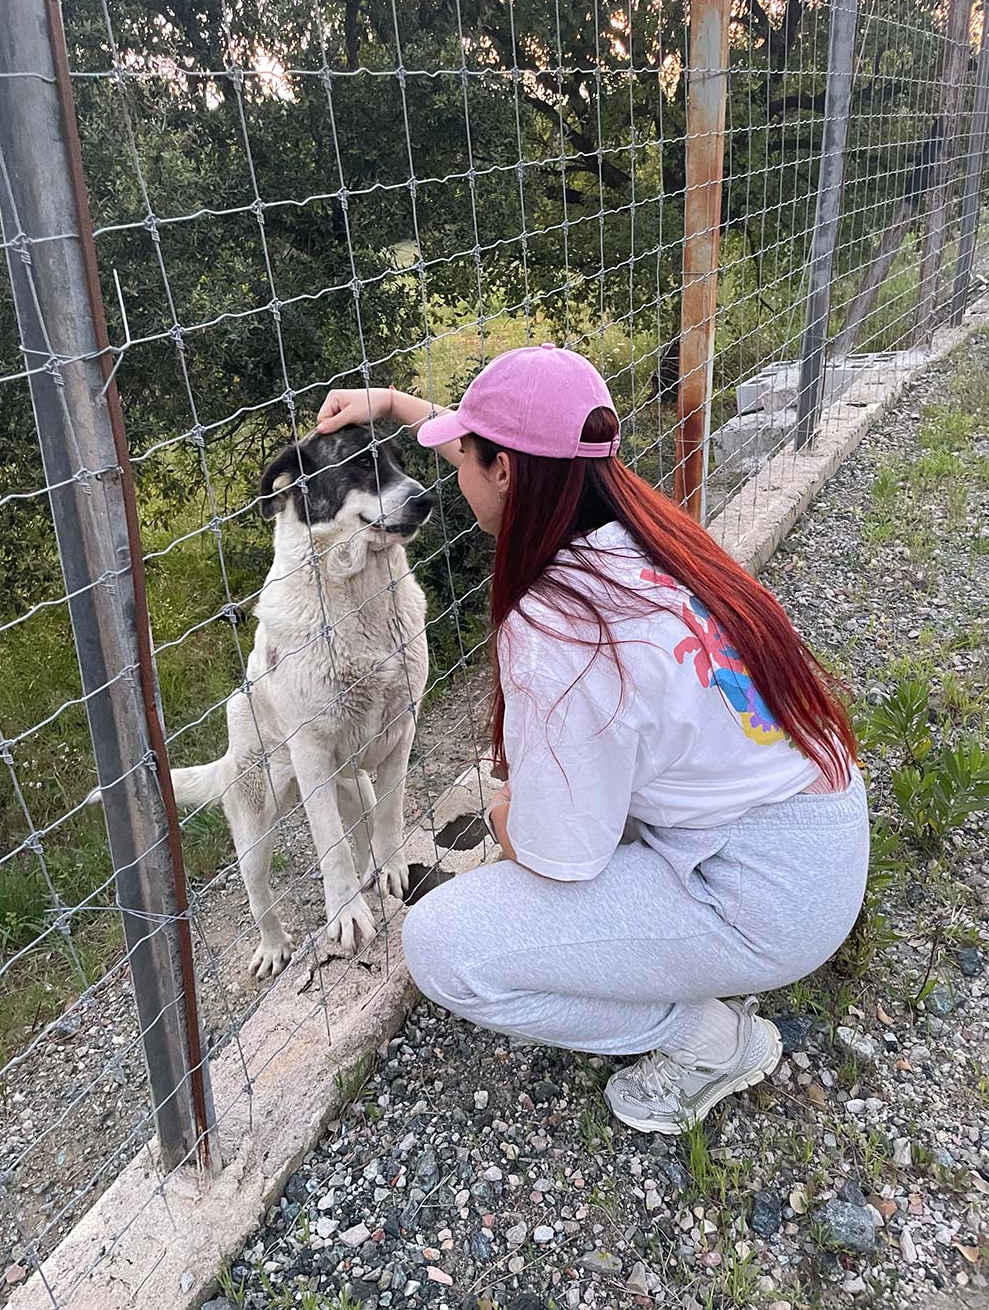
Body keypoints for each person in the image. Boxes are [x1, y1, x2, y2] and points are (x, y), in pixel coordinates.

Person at [316, 344, 869, 1135]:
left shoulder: (560, 625)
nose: (456, 473)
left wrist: (506, 815)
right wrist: (394, 402)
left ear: (504, 471)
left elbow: (559, 858)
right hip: (814, 837)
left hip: (765, 896)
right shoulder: (644, 530)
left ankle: (709, 1041)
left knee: (442, 945)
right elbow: (504, 437)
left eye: (464, 456)